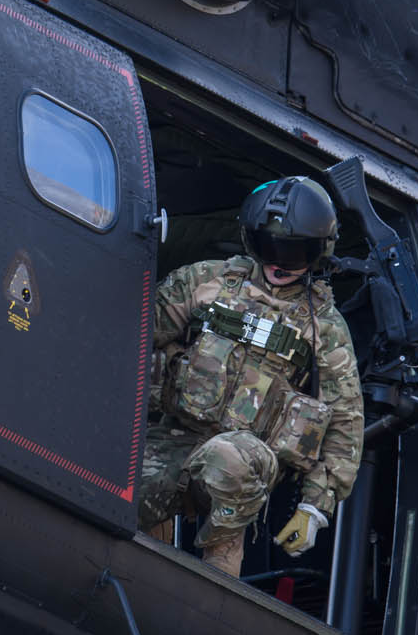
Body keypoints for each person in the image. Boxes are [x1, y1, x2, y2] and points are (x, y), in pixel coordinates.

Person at [140, 176, 364, 578]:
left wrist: (315, 506)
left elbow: (344, 419)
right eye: (270, 246)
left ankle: (214, 577)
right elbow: (139, 334)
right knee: (128, 494)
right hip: (174, 435)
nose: (280, 262)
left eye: (295, 251)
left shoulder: (325, 328)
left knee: (232, 460)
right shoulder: (206, 281)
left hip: (247, 458)